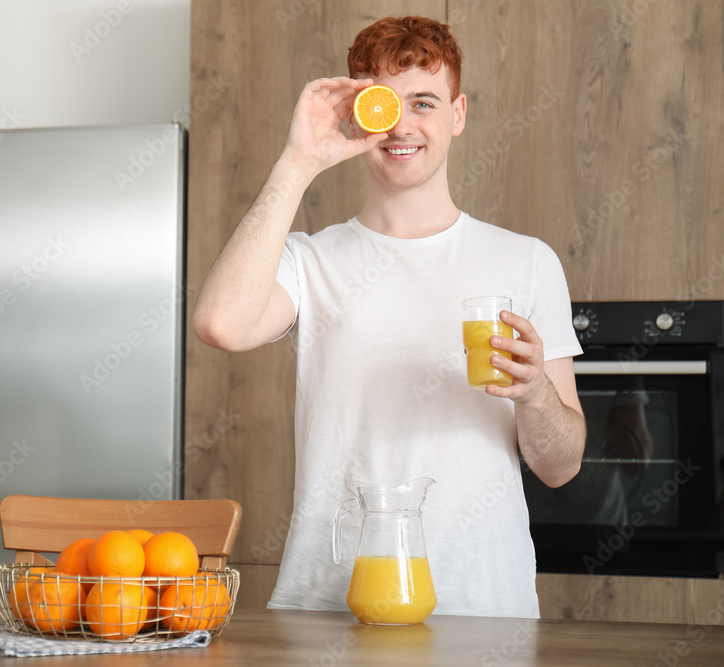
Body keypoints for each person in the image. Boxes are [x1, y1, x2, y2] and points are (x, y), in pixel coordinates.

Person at [193, 15, 586, 618]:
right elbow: (221, 324)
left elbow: (561, 467)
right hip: (328, 605)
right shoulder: (309, 260)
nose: (402, 124)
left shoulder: (527, 262)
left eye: (424, 101)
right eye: (382, 103)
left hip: (482, 611)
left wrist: (533, 395)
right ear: (358, 114)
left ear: (457, 114)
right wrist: (300, 160)